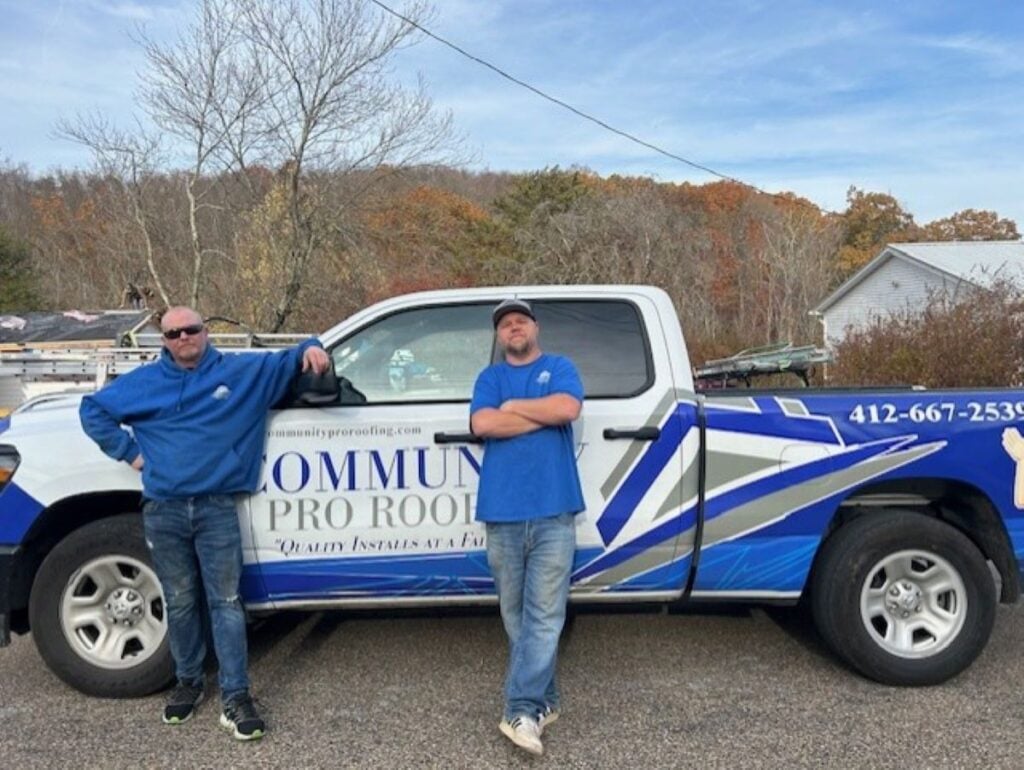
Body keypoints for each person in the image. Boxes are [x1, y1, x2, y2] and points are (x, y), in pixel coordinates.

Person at [79, 306, 329, 741]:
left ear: (205, 332)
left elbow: (294, 355)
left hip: (216, 507)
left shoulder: (242, 372)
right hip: (164, 508)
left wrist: (314, 347)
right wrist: (130, 453)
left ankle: (236, 697)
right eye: (172, 333)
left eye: (190, 330)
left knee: (226, 602)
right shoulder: (144, 383)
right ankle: (189, 683)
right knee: (179, 601)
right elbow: (92, 410)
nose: (182, 338)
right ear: (163, 340)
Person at [469, 298, 585, 756]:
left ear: (534, 327)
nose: (513, 328)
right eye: (505, 325)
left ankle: (519, 709)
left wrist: (515, 407)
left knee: (543, 616)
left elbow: (567, 409)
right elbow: (482, 422)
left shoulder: (559, 366)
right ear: (499, 337)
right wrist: (533, 412)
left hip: (555, 511)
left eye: (520, 321)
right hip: (502, 514)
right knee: (516, 617)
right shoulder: (489, 377)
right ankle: (547, 700)